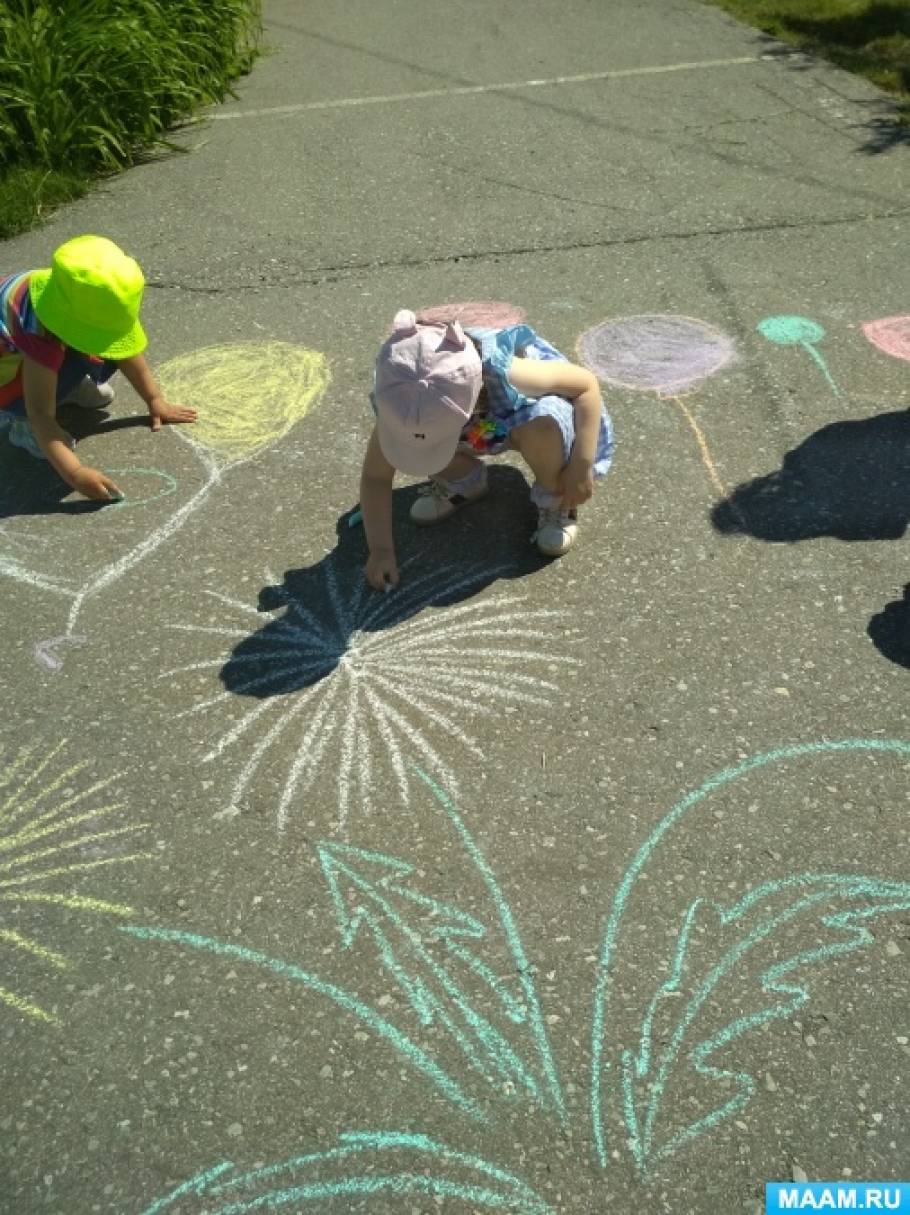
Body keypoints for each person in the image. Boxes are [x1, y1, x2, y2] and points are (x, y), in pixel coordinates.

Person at [358, 308, 613, 590]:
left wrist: (581, 463)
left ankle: (556, 499)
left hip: (517, 418)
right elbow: (375, 477)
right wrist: (380, 551)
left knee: (544, 424)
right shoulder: (400, 400)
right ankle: (464, 481)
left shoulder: (506, 372)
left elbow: (586, 386)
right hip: (470, 432)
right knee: (418, 443)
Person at [0, 233, 196, 500]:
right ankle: (21, 425)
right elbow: (40, 412)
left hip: (30, 348)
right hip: (6, 373)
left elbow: (126, 353)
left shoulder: (75, 293)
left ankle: (65, 388)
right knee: (38, 402)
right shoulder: (39, 332)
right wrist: (75, 473)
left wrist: (155, 399)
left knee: (106, 350)